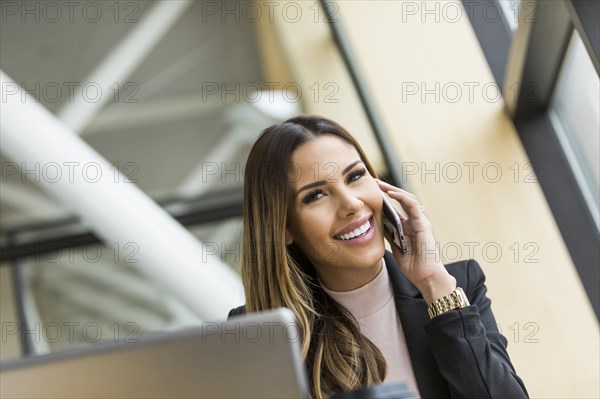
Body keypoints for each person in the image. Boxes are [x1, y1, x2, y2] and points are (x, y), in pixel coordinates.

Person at [228, 115, 528, 399]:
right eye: (315, 195)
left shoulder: (457, 285)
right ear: (283, 228)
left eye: (355, 176)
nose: (351, 204)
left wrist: (434, 285)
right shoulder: (264, 330)